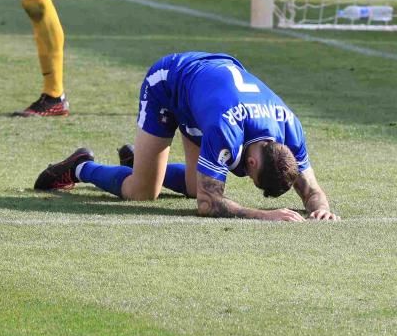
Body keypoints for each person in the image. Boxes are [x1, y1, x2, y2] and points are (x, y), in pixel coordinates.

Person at [35, 52, 340, 221]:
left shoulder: (290, 128)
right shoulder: (226, 130)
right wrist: (262, 214)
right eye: (250, 174)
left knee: (196, 185)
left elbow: (311, 189)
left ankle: (141, 161)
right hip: (169, 84)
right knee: (142, 192)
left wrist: (320, 208)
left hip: (206, 96)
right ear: (250, 160)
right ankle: (80, 167)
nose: (244, 175)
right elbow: (208, 204)